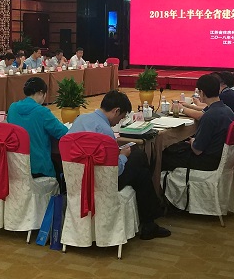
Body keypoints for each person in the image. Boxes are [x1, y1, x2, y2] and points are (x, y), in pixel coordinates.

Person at [68, 90, 170, 240]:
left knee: (139, 167)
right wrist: (123, 156)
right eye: (121, 118)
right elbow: (115, 171)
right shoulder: (105, 132)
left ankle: (150, 219)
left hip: (76, 178)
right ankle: (150, 220)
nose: (119, 122)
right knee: (139, 160)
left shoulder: (80, 120)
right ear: (116, 111)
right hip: (101, 182)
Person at [162, 74, 234, 172]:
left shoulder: (209, 116)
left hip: (207, 162)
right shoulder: (228, 110)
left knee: (164, 156)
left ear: (202, 93)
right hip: (220, 158)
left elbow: (197, 150)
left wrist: (193, 141)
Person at [6, 77, 68, 177]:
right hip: (39, 169)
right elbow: (64, 133)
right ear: (41, 93)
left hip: (16, 167)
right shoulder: (42, 112)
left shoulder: (12, 108)